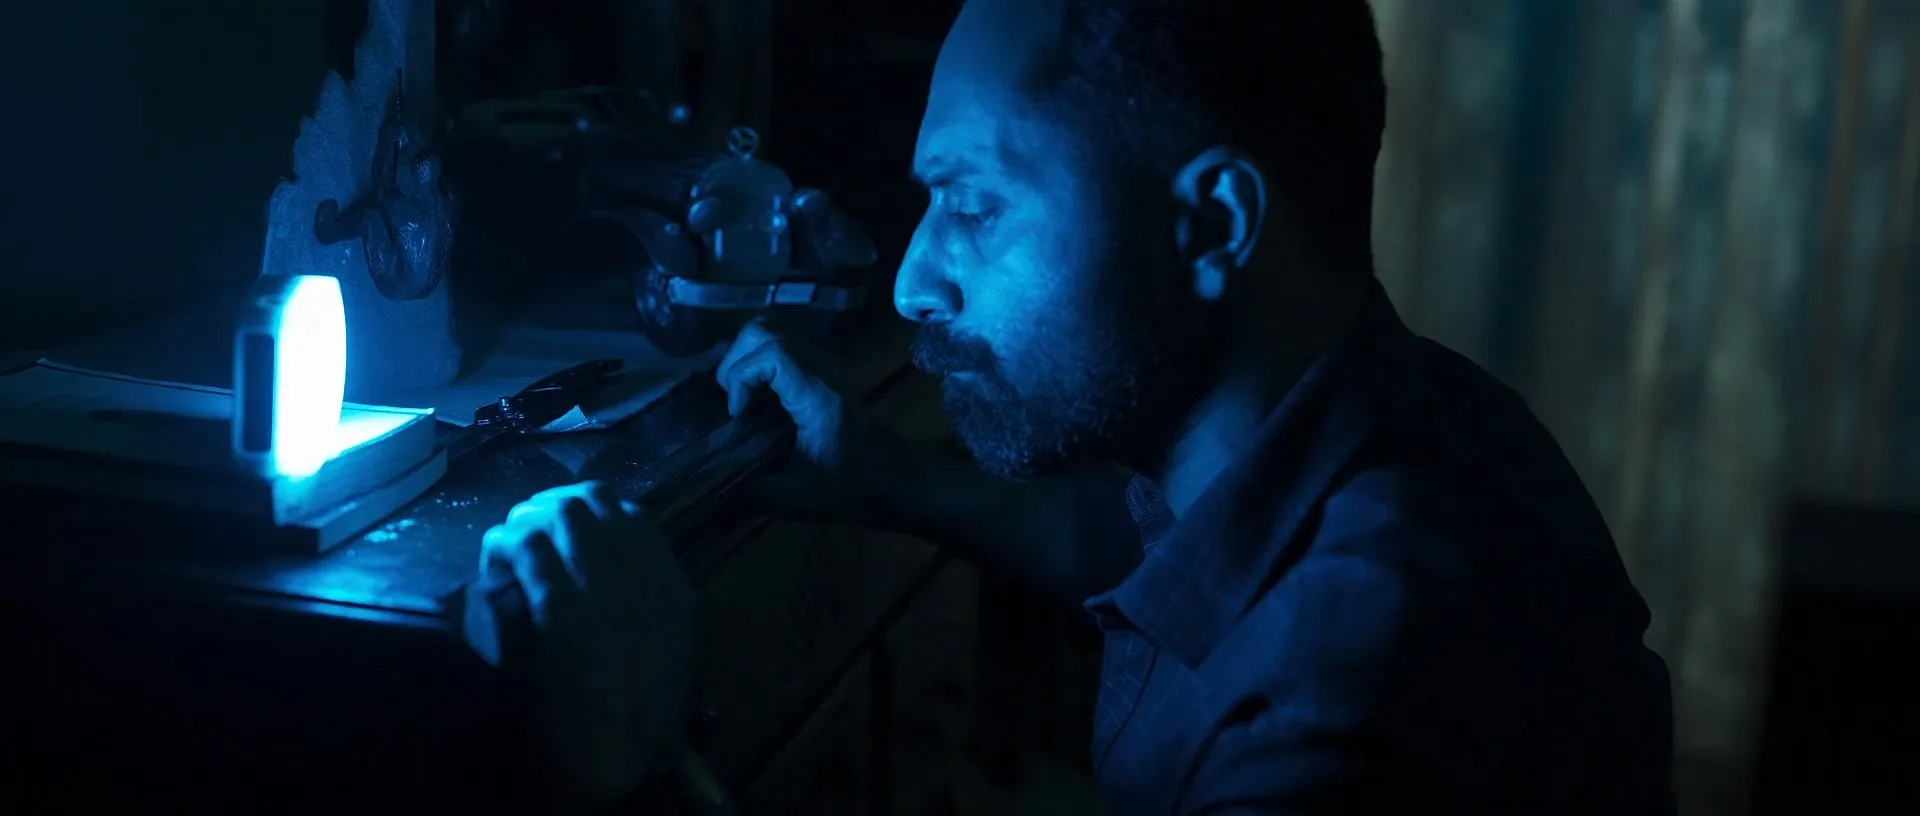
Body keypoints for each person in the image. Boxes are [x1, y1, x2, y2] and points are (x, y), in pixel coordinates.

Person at [482, 0, 1679, 812]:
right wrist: (889, 479)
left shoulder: (1341, 704)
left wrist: (643, 760)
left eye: (975, 206)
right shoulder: (1400, 426)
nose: (911, 280)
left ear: (1210, 224)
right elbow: (1137, 550)